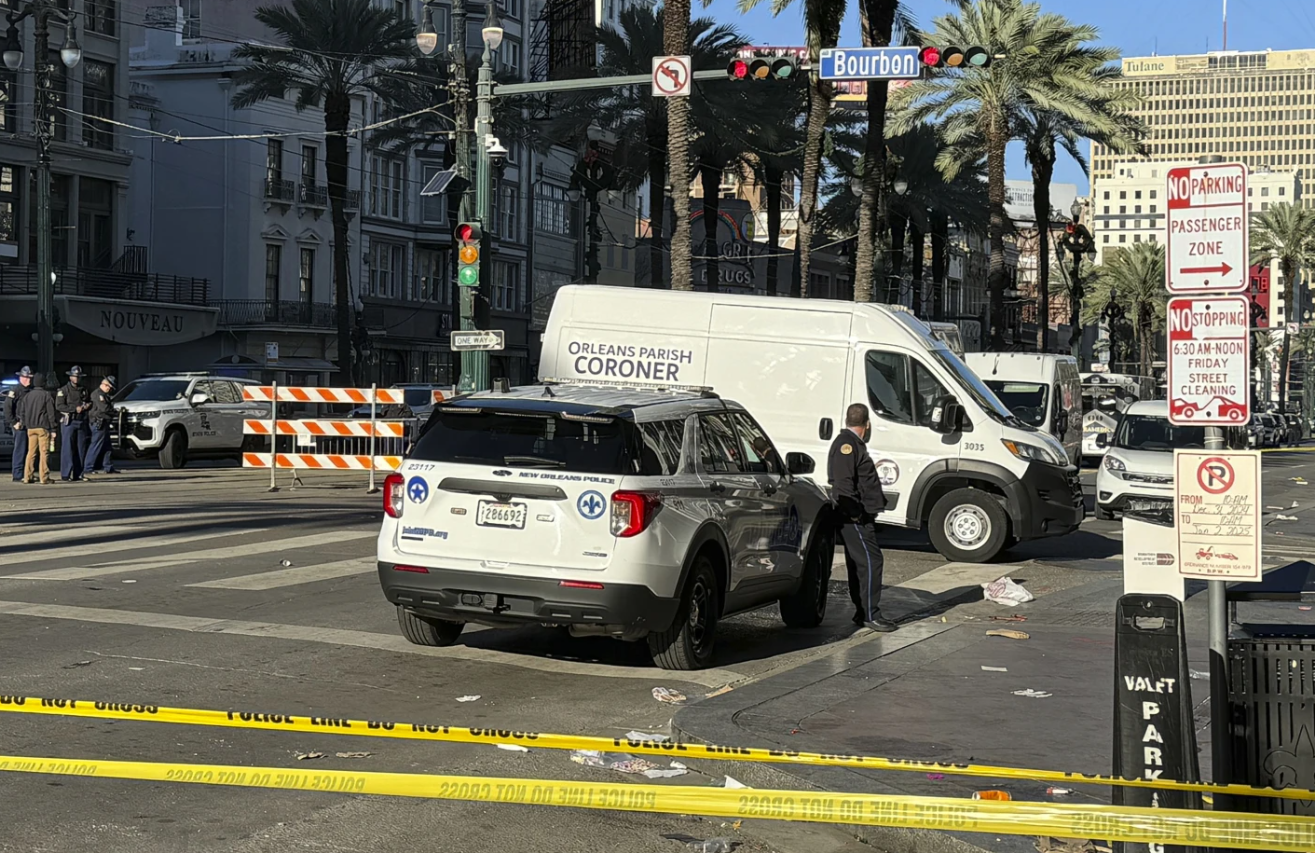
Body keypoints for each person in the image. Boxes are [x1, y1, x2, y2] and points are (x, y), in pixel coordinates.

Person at [827, 402, 897, 633]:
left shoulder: (851, 444)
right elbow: (844, 485)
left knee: (859, 564)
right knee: (870, 562)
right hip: (854, 518)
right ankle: (870, 613)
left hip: (857, 516)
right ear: (867, 424)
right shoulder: (847, 445)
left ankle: (862, 611)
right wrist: (856, 515)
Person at [16, 372, 57, 485]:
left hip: (30, 428)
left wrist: (24, 423)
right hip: (43, 428)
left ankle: (27, 476)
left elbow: (22, 412)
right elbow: (51, 413)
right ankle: (44, 477)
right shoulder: (46, 395)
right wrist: (53, 428)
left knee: (31, 452)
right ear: (43, 383)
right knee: (44, 452)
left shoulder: (27, 396)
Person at [55, 365, 91, 482]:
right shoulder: (63, 390)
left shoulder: (84, 389)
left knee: (81, 448)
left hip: (81, 420)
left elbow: (89, 401)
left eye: (78, 377)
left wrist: (87, 406)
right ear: (70, 377)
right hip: (69, 421)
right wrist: (74, 409)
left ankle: (78, 473)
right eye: (75, 376)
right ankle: (66, 474)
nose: (76, 379)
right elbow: (59, 406)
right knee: (67, 448)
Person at [3, 366, 32, 482]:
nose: (29, 380)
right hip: (20, 424)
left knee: (30, 450)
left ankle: (27, 473)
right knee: (20, 449)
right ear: (21, 378)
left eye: (30, 377)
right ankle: (18, 474)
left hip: (30, 424)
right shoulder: (15, 391)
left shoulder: (31, 390)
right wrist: (14, 422)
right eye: (26, 377)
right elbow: (7, 408)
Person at [86, 375, 118, 475]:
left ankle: (108, 466)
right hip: (98, 422)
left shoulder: (103, 395)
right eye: (109, 387)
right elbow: (104, 409)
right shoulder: (98, 394)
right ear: (105, 385)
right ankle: (88, 467)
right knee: (96, 445)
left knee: (107, 446)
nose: (110, 389)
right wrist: (114, 412)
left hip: (104, 422)